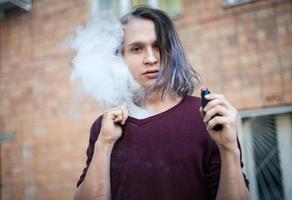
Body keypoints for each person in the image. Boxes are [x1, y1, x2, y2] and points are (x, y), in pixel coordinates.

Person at [74, 6, 249, 200]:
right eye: (136, 49)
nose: (150, 59)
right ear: (121, 58)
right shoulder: (105, 127)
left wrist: (229, 148)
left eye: (158, 46)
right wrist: (104, 143)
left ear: (172, 51)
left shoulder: (206, 118)